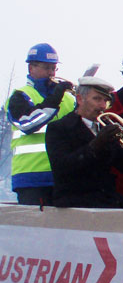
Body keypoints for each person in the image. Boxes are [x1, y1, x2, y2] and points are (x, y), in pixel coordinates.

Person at [45, 77, 123, 208]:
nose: (102, 106)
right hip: (74, 203)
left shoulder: (105, 127)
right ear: (79, 99)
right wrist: (95, 145)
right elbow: (62, 168)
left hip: (106, 200)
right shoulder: (59, 128)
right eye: (97, 99)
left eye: (106, 101)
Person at [5, 43, 76, 206]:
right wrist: (54, 100)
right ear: (31, 68)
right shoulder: (20, 96)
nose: (51, 73)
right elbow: (27, 124)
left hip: (62, 176)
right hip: (31, 177)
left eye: (53, 68)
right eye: (46, 68)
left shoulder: (68, 99)